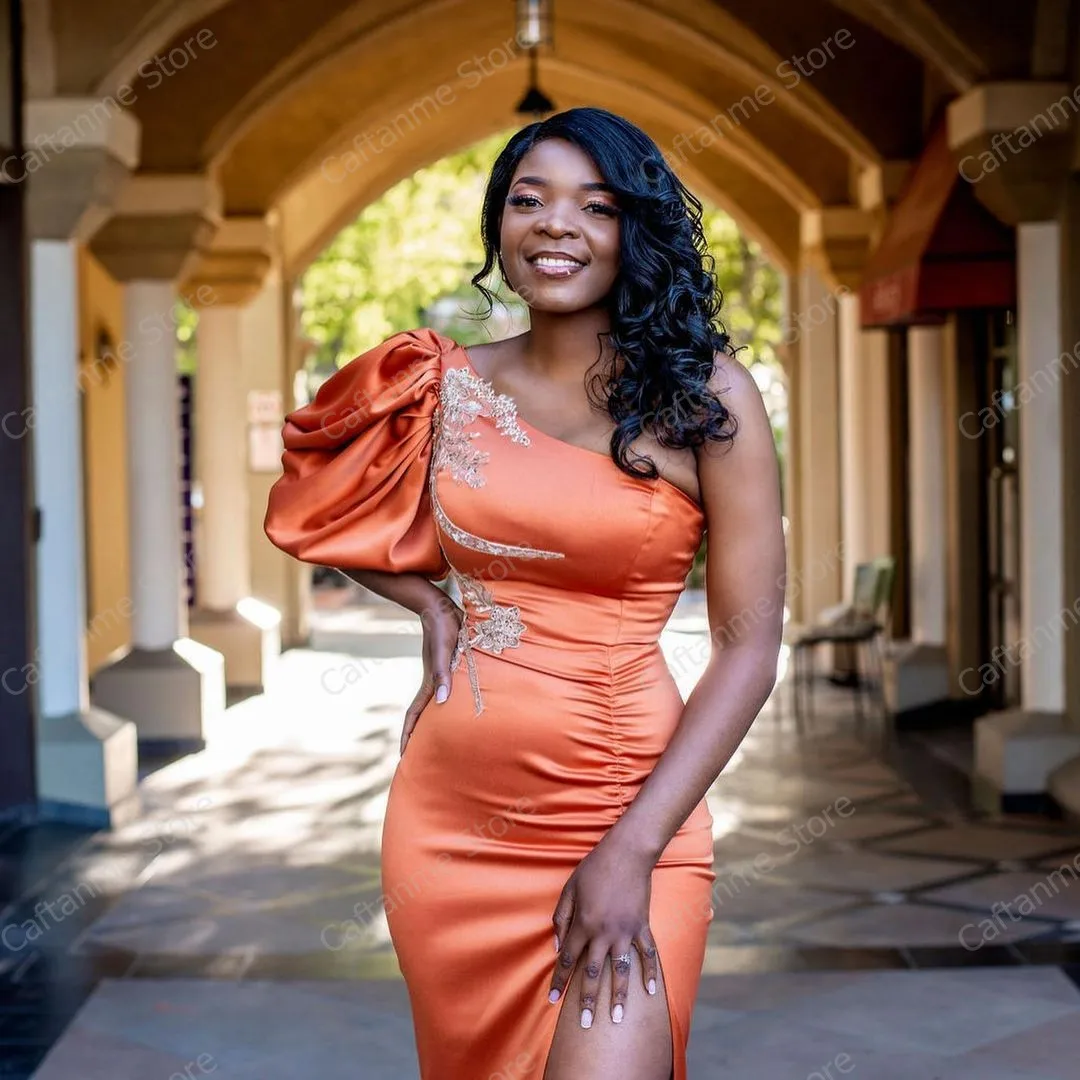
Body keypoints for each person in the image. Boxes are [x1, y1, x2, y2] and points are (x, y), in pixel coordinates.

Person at [264, 106, 785, 1080]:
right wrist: (430, 602)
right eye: (528, 200)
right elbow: (308, 490)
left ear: (637, 228)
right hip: (450, 820)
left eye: (595, 205)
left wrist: (631, 851)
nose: (556, 224)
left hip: (629, 806)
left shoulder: (708, 400)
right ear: (497, 229)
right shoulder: (440, 380)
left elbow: (749, 647)